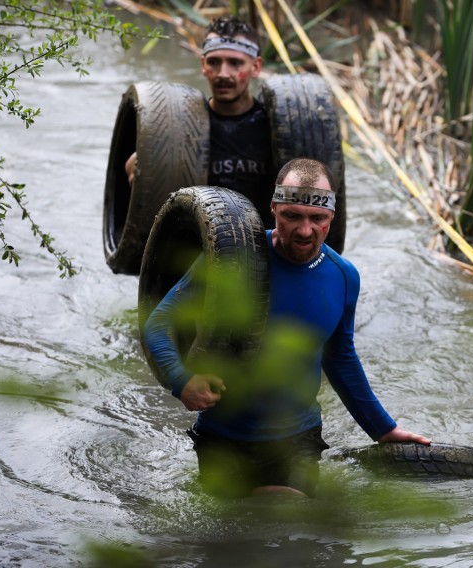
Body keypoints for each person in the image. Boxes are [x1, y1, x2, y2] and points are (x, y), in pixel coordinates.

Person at [143, 158, 430, 498]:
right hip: (222, 435)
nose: (305, 230)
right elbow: (159, 323)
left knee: (287, 512)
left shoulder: (343, 276)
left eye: (317, 219)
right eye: (292, 215)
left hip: (297, 436)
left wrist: (383, 429)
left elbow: (340, 357)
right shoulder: (231, 260)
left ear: (331, 219)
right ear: (274, 208)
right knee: (229, 537)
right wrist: (182, 382)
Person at [126, 16, 276, 226]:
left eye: (235, 63)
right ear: (203, 65)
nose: (223, 74)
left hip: (262, 241)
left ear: (256, 67)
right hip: (200, 241)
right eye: (214, 62)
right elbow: (134, 163)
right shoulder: (182, 124)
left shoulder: (275, 127)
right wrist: (140, 168)